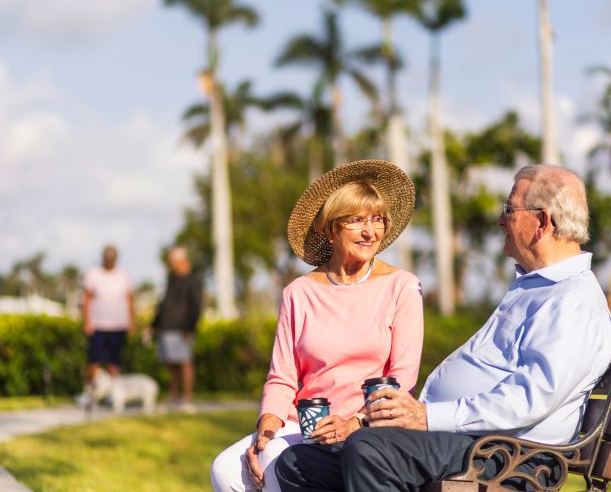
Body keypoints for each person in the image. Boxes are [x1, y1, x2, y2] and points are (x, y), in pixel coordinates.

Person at [276, 164, 611, 491]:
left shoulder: (573, 302)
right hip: (473, 442)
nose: (501, 220)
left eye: (509, 209)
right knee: (298, 462)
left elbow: (528, 400)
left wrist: (427, 416)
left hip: (508, 455)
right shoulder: (539, 288)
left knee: (369, 450)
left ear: (542, 222)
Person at [210, 160, 424, 492]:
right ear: (328, 228)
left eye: (377, 219)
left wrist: (353, 423)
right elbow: (282, 378)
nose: (371, 232)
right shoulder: (299, 292)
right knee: (225, 470)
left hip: (367, 426)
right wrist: (266, 429)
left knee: (272, 466)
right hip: (306, 426)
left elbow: (403, 378)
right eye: (356, 221)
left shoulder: (402, 286)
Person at [149, 246, 203, 410]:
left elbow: (196, 306)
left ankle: (187, 399)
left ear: (183, 261)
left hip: (182, 329)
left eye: (173, 262)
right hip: (167, 328)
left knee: (184, 363)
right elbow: (163, 303)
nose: (171, 264)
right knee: (171, 365)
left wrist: (189, 327)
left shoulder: (193, 280)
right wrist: (154, 324)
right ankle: (174, 397)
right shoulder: (171, 278)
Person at [82, 244, 135, 384]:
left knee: (114, 363)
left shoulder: (123, 275)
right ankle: (90, 394)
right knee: (94, 361)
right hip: (98, 325)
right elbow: (86, 299)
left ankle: (114, 394)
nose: (110, 260)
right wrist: (87, 321)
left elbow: (129, 299)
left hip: (118, 325)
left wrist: (131, 321)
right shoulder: (93, 274)